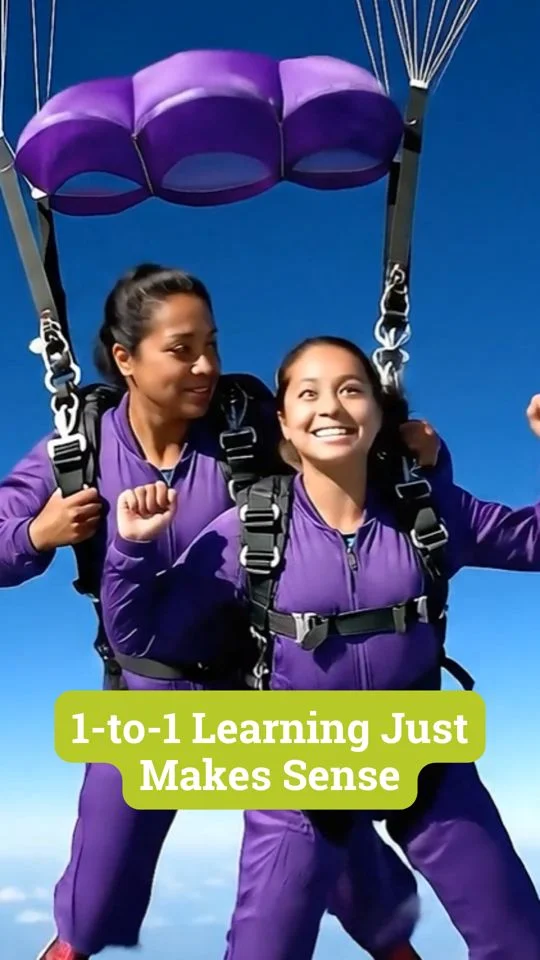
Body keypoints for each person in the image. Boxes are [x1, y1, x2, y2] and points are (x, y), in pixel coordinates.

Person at [0, 271, 436, 960]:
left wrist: (412, 455)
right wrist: (35, 536)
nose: (206, 365)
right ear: (125, 360)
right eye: (181, 349)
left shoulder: (245, 424)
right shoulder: (80, 450)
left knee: (355, 872)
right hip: (145, 693)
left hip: (255, 685)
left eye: (212, 344)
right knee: (91, 904)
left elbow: (344, 457)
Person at [102, 334, 540, 960]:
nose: (329, 406)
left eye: (350, 389)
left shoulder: (428, 514)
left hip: (420, 753)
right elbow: (141, 639)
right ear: (283, 420)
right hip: (296, 771)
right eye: (307, 393)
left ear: (381, 413)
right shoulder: (249, 530)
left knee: (522, 939)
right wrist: (132, 550)